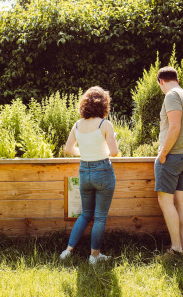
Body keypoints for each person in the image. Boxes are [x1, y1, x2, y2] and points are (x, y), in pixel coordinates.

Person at [60, 86, 119, 264]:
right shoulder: (105, 124)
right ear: (104, 105)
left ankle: (68, 251)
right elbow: (114, 152)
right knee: (100, 217)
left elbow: (68, 149)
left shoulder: (77, 125)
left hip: (84, 171)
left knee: (85, 214)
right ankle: (94, 256)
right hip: (103, 172)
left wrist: (85, 153)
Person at [155, 66, 183, 256]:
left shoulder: (171, 95)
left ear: (161, 81)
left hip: (171, 156)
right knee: (181, 200)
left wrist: (163, 154)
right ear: (177, 79)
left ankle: (176, 248)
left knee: (166, 201)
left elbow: (175, 127)